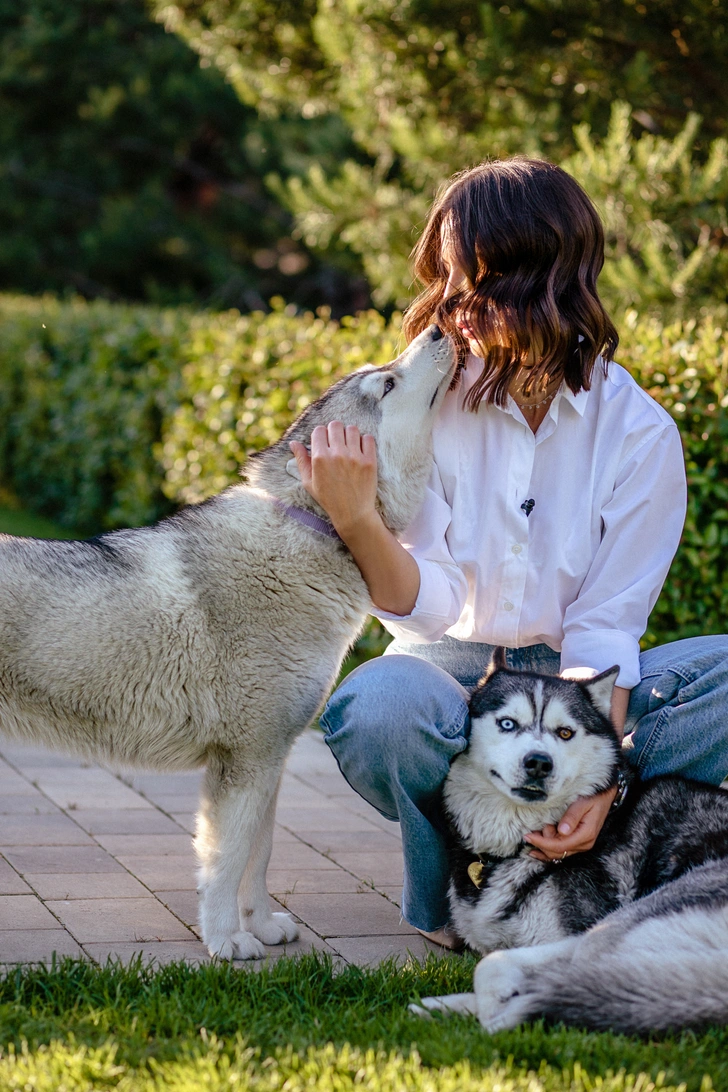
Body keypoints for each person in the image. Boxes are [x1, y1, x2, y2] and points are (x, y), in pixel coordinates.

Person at [288, 157, 728, 949]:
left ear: (543, 280)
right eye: (445, 282)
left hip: (573, 689)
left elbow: (604, 624)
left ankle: (593, 841)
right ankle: (453, 902)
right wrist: (357, 520)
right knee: (379, 709)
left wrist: (604, 771)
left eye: (472, 283)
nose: (450, 310)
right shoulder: (427, 408)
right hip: (451, 680)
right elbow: (426, 602)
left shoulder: (637, 433)